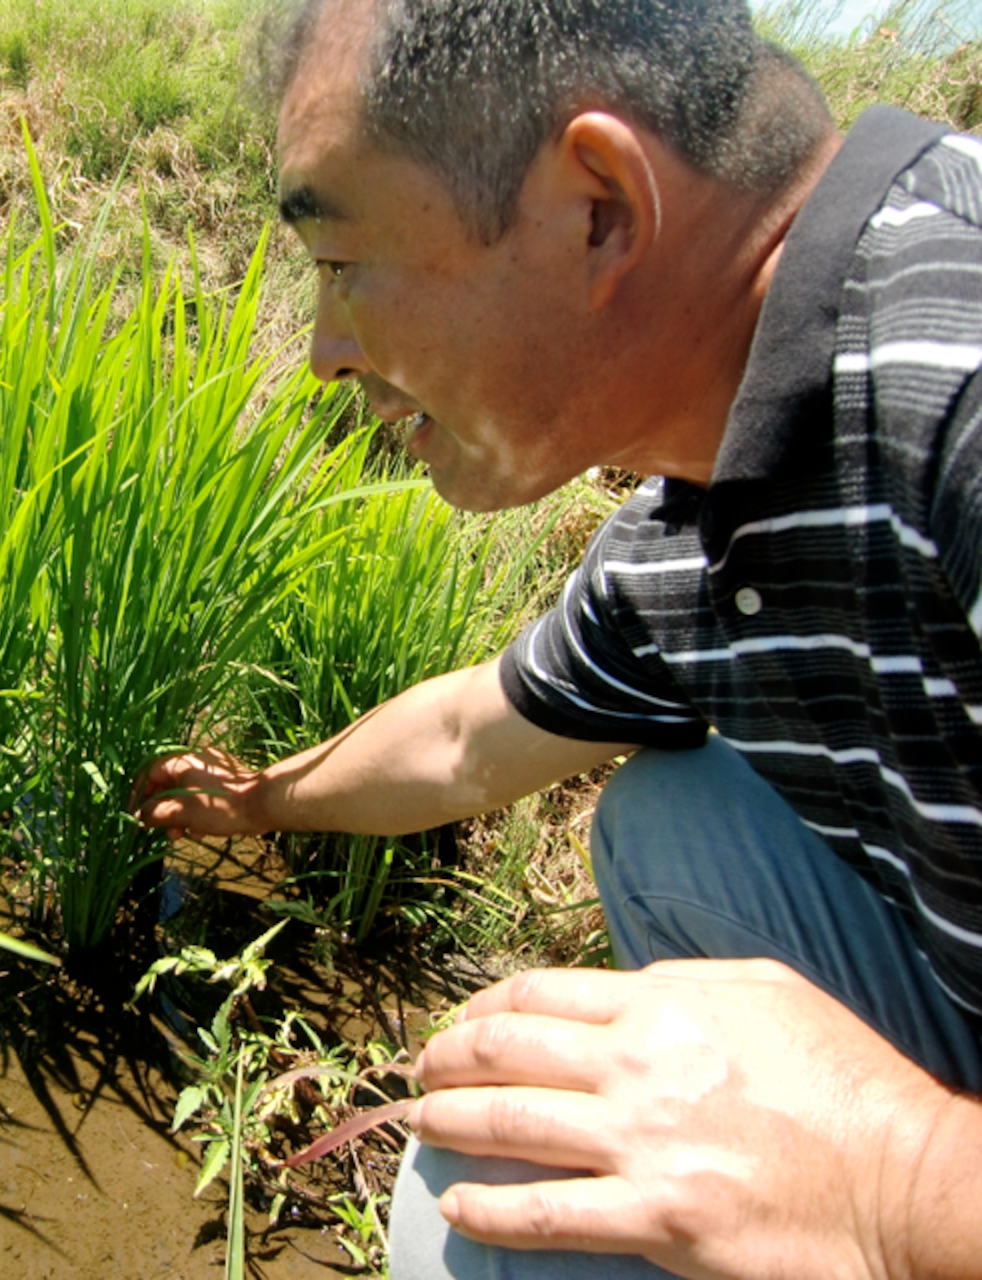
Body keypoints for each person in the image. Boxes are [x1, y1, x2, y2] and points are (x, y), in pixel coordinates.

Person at [138, 0, 982, 1276]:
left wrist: (887, 1173)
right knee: (676, 818)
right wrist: (258, 804)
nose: (319, 354)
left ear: (596, 205)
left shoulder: (957, 384)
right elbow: (471, 736)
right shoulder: (697, 523)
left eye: (339, 263)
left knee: (476, 1212)